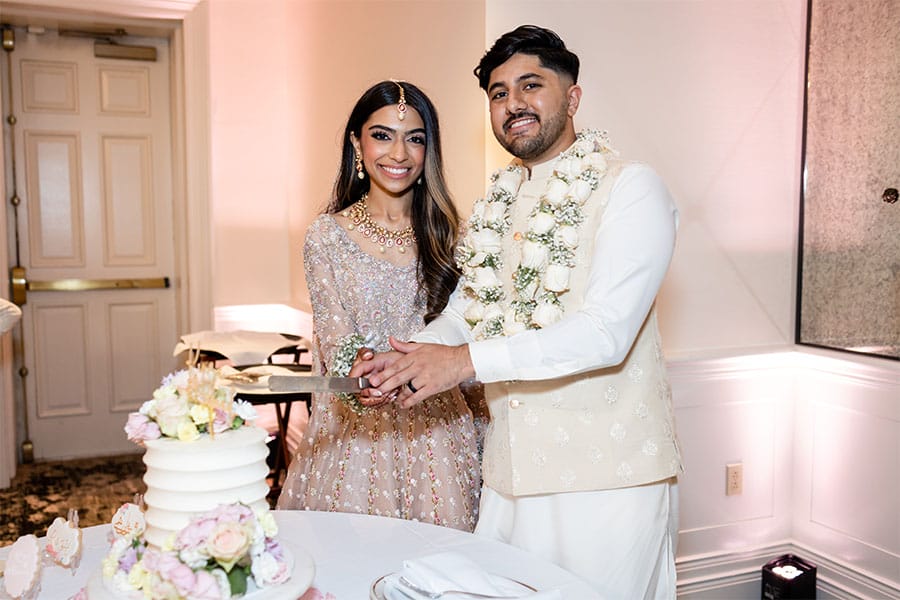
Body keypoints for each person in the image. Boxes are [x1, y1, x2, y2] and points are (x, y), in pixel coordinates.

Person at [354, 26, 683, 597]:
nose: (513, 104)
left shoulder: (631, 189)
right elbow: (466, 312)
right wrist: (404, 359)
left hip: (605, 479)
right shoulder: (497, 202)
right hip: (507, 475)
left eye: (530, 85)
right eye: (499, 93)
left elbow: (605, 333)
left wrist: (459, 363)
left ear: (573, 97)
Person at [276, 80, 482, 532]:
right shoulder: (326, 236)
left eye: (415, 138)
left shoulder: (456, 236)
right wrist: (363, 373)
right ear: (357, 143)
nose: (399, 154)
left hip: (438, 433)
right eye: (382, 135)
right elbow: (333, 331)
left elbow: (470, 329)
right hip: (355, 432)